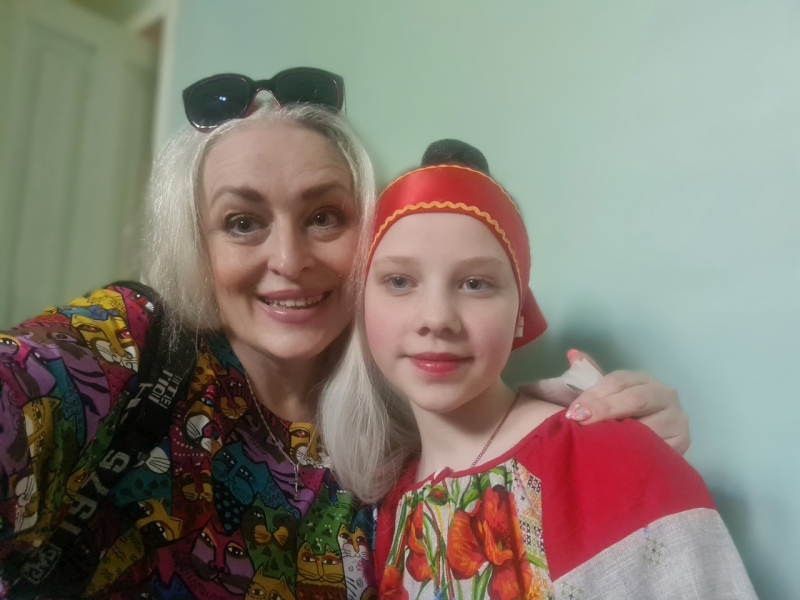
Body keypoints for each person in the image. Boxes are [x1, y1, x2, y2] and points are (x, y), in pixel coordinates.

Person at [0, 69, 687, 600]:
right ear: (196, 245)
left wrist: (582, 429)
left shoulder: (405, 422)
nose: (290, 260)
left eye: (324, 217)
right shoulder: (134, 345)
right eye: (242, 223)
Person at [320, 140, 756, 598]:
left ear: (520, 312)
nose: (436, 318)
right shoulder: (388, 509)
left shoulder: (608, 458)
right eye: (399, 281)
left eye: (475, 283)